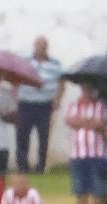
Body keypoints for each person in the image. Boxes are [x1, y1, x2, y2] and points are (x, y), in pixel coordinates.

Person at [66, 86, 107, 204]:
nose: (88, 92)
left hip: (97, 154)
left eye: (91, 89)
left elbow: (100, 124)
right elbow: (70, 122)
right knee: (80, 190)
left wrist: (83, 122)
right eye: (86, 89)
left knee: (98, 190)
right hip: (78, 154)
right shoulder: (73, 106)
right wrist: (89, 122)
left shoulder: (100, 106)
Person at [18, 36, 63, 173]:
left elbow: (61, 83)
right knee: (22, 136)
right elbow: (17, 78)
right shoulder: (25, 62)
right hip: (26, 103)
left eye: (43, 46)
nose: (41, 48)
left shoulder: (55, 64)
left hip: (45, 105)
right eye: (38, 45)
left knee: (44, 137)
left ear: (47, 48)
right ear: (34, 46)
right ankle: (23, 166)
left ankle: (41, 167)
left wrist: (57, 100)